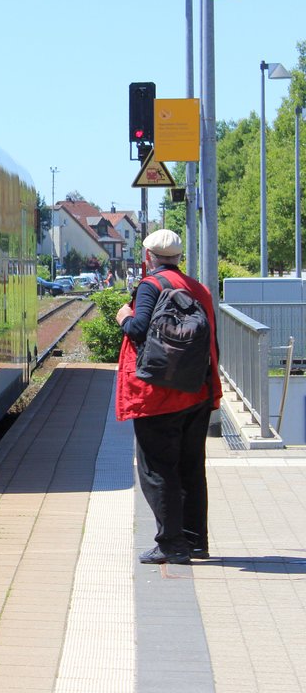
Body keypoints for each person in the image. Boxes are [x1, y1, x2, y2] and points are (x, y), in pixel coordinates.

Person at [115, 229, 222, 565]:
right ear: (178, 257)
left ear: (149, 257)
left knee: (158, 467)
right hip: (196, 390)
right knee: (191, 467)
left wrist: (124, 316)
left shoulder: (151, 285)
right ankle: (195, 541)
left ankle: (171, 544)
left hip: (157, 393)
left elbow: (137, 329)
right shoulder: (198, 289)